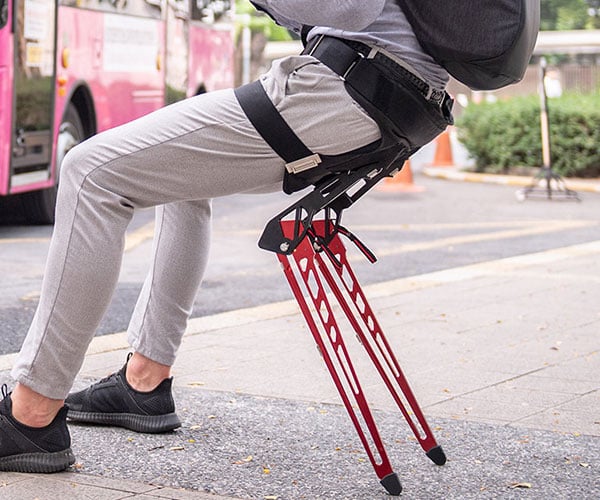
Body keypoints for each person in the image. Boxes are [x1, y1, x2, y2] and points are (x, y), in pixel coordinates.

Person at [0, 0, 451, 472]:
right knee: (179, 174)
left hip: (344, 89)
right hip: (382, 95)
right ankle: (144, 382)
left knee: (89, 174)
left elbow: (352, 8)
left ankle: (31, 415)